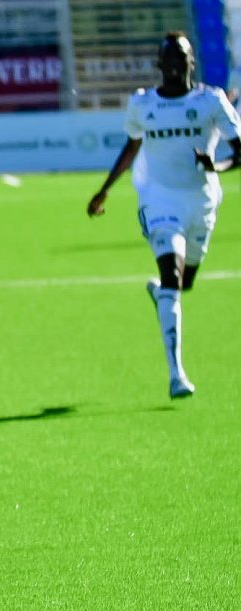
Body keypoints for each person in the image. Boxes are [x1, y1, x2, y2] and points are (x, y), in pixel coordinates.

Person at [87, 31, 241, 399]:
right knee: (171, 275)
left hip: (201, 202)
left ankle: (161, 295)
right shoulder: (142, 103)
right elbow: (132, 146)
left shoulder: (211, 101)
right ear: (159, 64)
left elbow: (239, 152)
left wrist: (217, 166)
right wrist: (105, 189)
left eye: (181, 57)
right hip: (158, 200)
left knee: (184, 283)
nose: (174, 64)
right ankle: (176, 374)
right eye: (168, 58)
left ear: (192, 62)